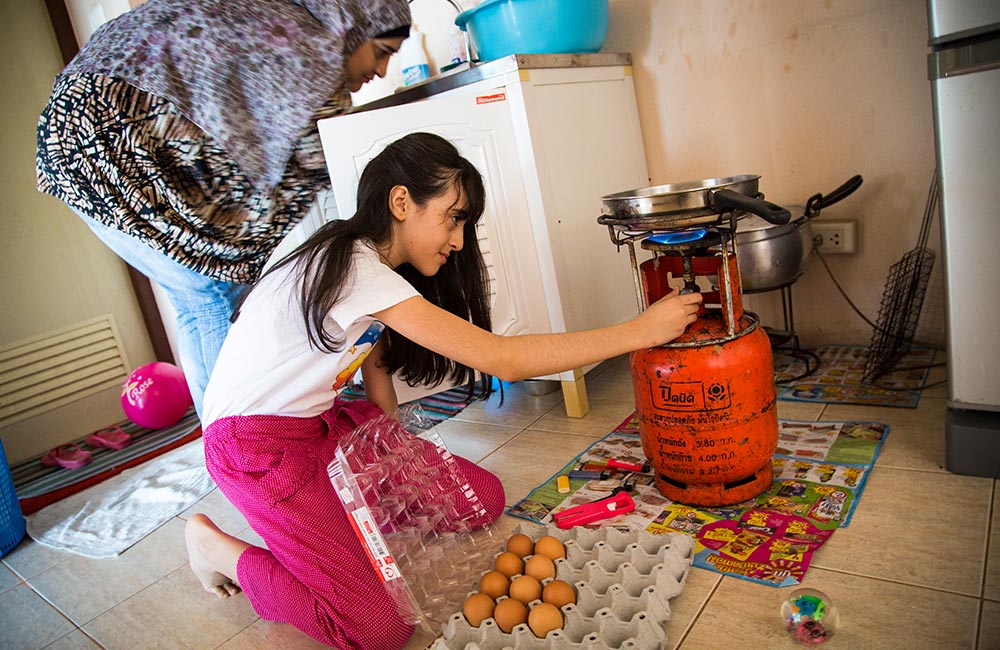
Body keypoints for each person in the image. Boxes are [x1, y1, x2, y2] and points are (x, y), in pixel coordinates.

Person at [184, 132, 703, 649]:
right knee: (378, 630)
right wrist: (642, 331)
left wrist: (391, 456)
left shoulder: (364, 264)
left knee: (480, 500)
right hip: (259, 450)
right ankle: (215, 548)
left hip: (324, 430)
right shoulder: (355, 266)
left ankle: (339, 522)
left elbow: (375, 363)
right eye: (453, 217)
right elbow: (505, 361)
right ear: (402, 201)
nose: (458, 240)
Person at [34, 0, 411, 420]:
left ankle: (226, 445)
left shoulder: (275, 19)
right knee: (213, 294)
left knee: (200, 299)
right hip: (105, 135)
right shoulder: (310, 49)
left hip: (72, 131)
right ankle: (237, 446)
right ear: (353, 27)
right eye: (382, 52)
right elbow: (332, 163)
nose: (380, 72)